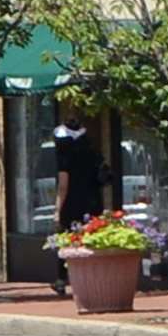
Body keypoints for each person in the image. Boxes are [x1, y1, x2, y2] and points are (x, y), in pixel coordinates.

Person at [49, 110, 110, 290]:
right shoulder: (90, 149)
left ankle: (62, 279)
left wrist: (58, 209)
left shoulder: (64, 154)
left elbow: (63, 184)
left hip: (72, 202)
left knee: (67, 237)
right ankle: (94, 277)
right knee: (91, 235)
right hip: (93, 200)